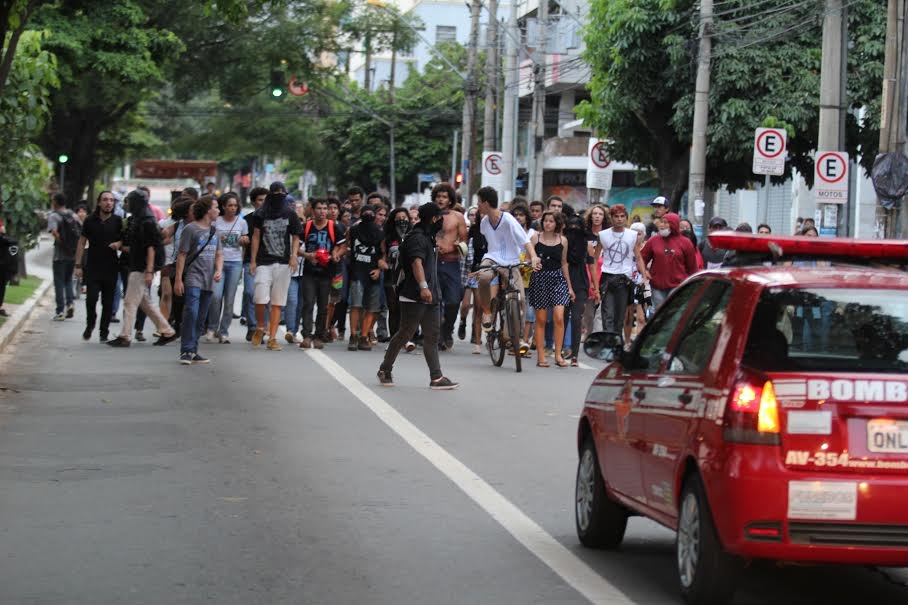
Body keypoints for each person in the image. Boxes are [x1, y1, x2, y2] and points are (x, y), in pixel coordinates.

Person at [377, 202, 458, 390]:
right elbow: (416, 263)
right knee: (405, 333)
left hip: (431, 295)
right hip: (415, 294)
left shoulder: (428, 237)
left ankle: (436, 377)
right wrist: (423, 287)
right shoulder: (417, 238)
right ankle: (385, 369)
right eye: (439, 218)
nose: (442, 221)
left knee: (432, 335)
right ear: (433, 218)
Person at [106, 190, 178, 348]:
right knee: (145, 302)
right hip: (138, 264)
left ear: (135, 203)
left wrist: (150, 271)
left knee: (130, 302)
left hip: (142, 266)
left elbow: (151, 247)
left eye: (128, 202)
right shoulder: (141, 218)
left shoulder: (146, 221)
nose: (126, 205)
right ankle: (167, 331)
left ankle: (125, 336)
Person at [475, 187, 541, 340]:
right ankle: (487, 312)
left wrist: (534, 256)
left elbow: (525, 241)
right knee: (484, 277)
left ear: (485, 203)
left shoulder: (509, 220)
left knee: (521, 299)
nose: (478, 205)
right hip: (492, 257)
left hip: (511, 261)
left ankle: (516, 338)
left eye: (479, 202)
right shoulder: (484, 222)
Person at [249, 185, 303, 350]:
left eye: (282, 194)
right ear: (270, 195)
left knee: (278, 302)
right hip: (263, 261)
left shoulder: (290, 214)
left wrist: (294, 257)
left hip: (284, 263)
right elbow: (256, 237)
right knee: (259, 297)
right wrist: (252, 260)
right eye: (276, 194)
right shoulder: (260, 214)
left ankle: (272, 338)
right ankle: (260, 326)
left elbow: (295, 237)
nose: (279, 197)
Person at [175, 196, 223, 364]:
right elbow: (182, 254)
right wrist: (178, 280)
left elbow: (219, 253)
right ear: (207, 210)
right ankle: (186, 350)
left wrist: (218, 270)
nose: (218, 210)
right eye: (216, 207)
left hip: (209, 280)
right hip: (193, 277)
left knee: (201, 317)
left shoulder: (214, 231)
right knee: (191, 312)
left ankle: (193, 350)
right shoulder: (191, 229)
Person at [74, 191, 122, 342]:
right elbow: (81, 242)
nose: (108, 203)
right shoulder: (90, 220)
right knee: (91, 299)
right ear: (99, 202)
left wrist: (118, 244)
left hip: (111, 267)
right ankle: (90, 324)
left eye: (111, 200)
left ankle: (104, 330)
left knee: (108, 302)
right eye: (105, 200)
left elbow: (125, 241)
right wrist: (78, 265)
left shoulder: (118, 221)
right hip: (93, 266)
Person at [528, 211, 574, 368]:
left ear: (557, 224)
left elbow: (564, 263)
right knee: (541, 319)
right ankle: (541, 356)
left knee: (559, 317)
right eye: (545, 220)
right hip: (540, 278)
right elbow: (528, 258)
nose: (548, 223)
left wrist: (569, 287)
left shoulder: (563, 241)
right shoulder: (535, 238)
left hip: (558, 279)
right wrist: (532, 263)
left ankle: (558, 354)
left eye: (551, 221)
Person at [592, 204, 647, 334]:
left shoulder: (632, 235)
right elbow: (594, 259)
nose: (619, 219)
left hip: (625, 278)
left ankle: (616, 342)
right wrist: (595, 284)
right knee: (607, 314)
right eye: (616, 216)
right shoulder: (603, 235)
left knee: (620, 316)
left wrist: (644, 277)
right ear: (611, 218)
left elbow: (638, 257)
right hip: (607, 277)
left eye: (622, 216)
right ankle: (608, 342)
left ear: (626, 218)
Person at [300, 198, 347, 349]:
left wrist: (336, 254)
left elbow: (343, 246)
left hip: (327, 273)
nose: (322, 211)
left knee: (323, 306)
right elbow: (295, 246)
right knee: (308, 303)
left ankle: (319, 336)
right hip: (309, 271)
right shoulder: (306, 227)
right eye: (319, 208)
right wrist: (308, 255)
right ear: (313, 210)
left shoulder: (334, 227)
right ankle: (306, 335)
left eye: (325, 208)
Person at [205, 192, 248, 344]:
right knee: (216, 296)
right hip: (218, 263)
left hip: (235, 263)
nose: (232, 208)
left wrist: (244, 240)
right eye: (230, 205)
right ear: (223, 206)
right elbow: (208, 239)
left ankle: (224, 331)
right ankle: (212, 327)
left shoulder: (241, 222)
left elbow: (245, 241)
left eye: (235, 205)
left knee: (229, 299)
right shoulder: (216, 222)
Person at [432, 182, 468, 351]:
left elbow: (464, 241)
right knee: (435, 301)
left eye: (444, 197)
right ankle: (438, 335)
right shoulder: (430, 215)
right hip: (433, 263)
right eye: (438, 196)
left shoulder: (457, 217)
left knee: (453, 301)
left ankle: (448, 330)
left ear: (450, 199)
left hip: (452, 264)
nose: (441, 199)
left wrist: (451, 247)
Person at [641, 212, 698, 308]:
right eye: (661, 222)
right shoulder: (653, 240)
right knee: (659, 312)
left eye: (666, 222)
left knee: (672, 312)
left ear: (674, 224)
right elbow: (641, 258)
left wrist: (691, 286)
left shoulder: (686, 242)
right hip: (656, 286)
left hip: (678, 286)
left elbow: (692, 267)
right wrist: (644, 271)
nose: (662, 225)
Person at [347, 204, 384, 351]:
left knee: (371, 307)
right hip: (357, 272)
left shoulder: (380, 233)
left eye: (371, 212)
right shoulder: (354, 230)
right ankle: (353, 335)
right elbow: (347, 244)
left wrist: (379, 269)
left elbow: (383, 253)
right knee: (356, 305)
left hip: (373, 273)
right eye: (365, 212)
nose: (368, 214)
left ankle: (363, 336)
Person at [564, 212, 594, 367]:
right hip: (563, 280)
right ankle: (562, 349)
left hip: (581, 282)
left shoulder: (587, 244)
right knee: (561, 317)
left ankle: (574, 355)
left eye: (577, 226)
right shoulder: (563, 242)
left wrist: (595, 284)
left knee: (576, 318)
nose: (574, 229)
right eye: (571, 227)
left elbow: (592, 264)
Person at [241, 187, 268, 341]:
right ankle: (252, 327)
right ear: (253, 202)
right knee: (250, 293)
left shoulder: (274, 219)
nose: (263, 203)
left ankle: (263, 327)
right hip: (250, 262)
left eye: (266, 200)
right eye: (260, 200)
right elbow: (242, 240)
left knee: (265, 297)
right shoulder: (246, 220)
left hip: (269, 262)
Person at [381, 207, 410, 349]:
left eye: (405, 218)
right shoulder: (387, 238)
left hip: (408, 278)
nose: (402, 221)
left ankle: (406, 339)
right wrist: (383, 263)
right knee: (393, 308)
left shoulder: (412, 236)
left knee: (406, 309)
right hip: (391, 277)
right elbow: (382, 257)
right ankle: (394, 339)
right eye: (398, 218)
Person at [48, 193, 78, 321]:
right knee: (68, 280)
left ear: (55, 202)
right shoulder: (72, 214)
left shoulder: (54, 216)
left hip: (59, 256)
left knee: (59, 282)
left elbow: (54, 232)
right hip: (72, 255)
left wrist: (63, 244)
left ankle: (60, 311)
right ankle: (70, 304)